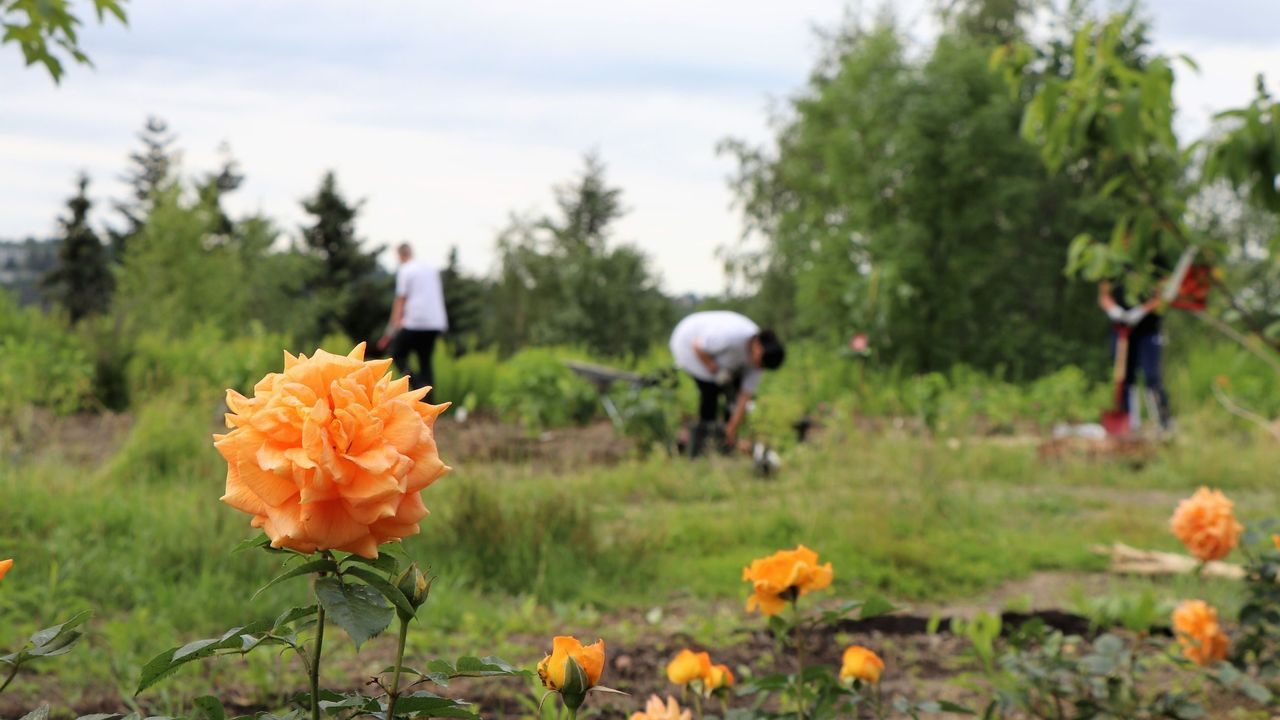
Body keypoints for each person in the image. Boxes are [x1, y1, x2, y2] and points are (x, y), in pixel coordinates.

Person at [669, 310, 785, 456]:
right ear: (758, 347)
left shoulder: (760, 362)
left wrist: (732, 426)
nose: (758, 367)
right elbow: (697, 346)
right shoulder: (732, 336)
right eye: (759, 362)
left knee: (732, 399)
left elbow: (745, 395)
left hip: (722, 362)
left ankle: (725, 440)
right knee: (710, 392)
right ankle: (704, 443)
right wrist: (713, 368)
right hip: (688, 345)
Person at [1099, 270, 1172, 432]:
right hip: (1122, 330)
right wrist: (1113, 310)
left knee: (1151, 376)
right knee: (1124, 377)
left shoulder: (1154, 263)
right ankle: (1130, 424)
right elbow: (1104, 295)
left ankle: (1163, 422)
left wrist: (1142, 310)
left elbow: (1163, 295)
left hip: (1148, 330)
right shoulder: (1114, 265)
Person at [378, 243, 448, 392]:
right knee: (425, 361)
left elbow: (401, 299)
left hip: (415, 322)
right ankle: (428, 398)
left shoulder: (406, 269)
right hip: (435, 322)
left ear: (400, 255)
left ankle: (417, 386)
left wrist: (393, 326)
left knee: (396, 354)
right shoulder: (431, 269)